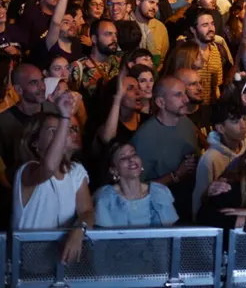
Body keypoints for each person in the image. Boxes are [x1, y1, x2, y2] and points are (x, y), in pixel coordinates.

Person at [13, 93, 94, 264]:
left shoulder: (76, 171)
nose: (63, 135)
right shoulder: (28, 170)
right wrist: (64, 116)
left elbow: (86, 211)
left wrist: (79, 228)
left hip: (61, 265)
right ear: (35, 142)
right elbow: (49, 167)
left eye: (64, 130)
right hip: (27, 267)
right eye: (53, 131)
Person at [131, 76, 200, 220]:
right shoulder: (145, 137)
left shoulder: (186, 123)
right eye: (178, 95)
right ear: (161, 102)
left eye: (185, 94)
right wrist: (175, 175)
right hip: (161, 215)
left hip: (189, 207)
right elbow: (135, 188)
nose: (186, 99)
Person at [94, 141, 178, 227]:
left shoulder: (159, 192)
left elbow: (170, 234)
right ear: (113, 170)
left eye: (133, 154)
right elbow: (103, 238)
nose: (131, 159)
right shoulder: (105, 197)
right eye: (123, 158)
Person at [192, 101, 246, 219]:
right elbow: (199, 201)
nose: (243, 125)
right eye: (235, 121)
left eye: (243, 119)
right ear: (220, 128)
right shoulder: (210, 158)